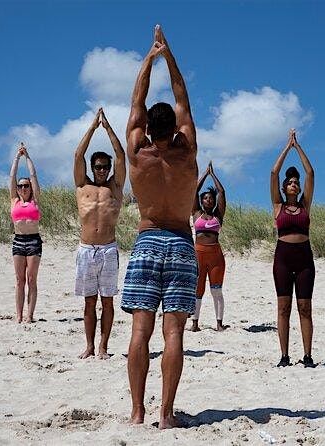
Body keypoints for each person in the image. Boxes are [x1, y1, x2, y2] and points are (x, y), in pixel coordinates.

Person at [121, 25, 198, 429]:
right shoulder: (187, 150)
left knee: (140, 330)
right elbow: (182, 96)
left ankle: (137, 412)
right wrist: (170, 57)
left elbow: (137, 100)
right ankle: (166, 415)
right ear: (176, 129)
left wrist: (148, 59)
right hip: (183, 244)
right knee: (173, 335)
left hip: (147, 240)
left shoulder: (137, 150)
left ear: (149, 130)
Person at [74, 107, 126, 359]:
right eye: (98, 167)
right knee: (88, 301)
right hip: (86, 249)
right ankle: (89, 346)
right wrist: (93, 127)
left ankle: (104, 347)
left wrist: (108, 129)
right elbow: (78, 154)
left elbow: (121, 155)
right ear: (93, 167)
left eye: (105, 167)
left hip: (107, 248)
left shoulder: (115, 187)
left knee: (107, 301)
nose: (103, 170)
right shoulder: (82, 185)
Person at [270, 129, 316, 368]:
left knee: (304, 307)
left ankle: (308, 356)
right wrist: (287, 147)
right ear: (284, 187)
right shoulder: (277, 206)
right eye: (290, 182)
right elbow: (274, 172)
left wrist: (298, 147)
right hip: (283, 259)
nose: (293, 184)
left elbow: (310, 172)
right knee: (284, 307)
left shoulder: (305, 205)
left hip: (304, 258)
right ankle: (284, 356)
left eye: (295, 183)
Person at [190, 161, 227, 332]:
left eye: (210, 198)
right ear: (201, 201)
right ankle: (195, 323)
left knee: (216, 291)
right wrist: (205, 173)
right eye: (205, 198)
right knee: (198, 290)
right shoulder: (196, 213)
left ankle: (219, 323)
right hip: (198, 254)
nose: (208, 200)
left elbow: (222, 192)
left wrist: (214, 175)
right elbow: (195, 190)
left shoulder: (218, 215)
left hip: (215, 256)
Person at [9, 142, 42, 324]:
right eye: (21, 186)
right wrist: (16, 157)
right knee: (19, 280)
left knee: (31, 279)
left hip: (34, 241)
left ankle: (30, 315)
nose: (23, 188)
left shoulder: (35, 200)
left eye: (26, 186)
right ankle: (19, 315)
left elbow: (33, 175)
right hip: (18, 241)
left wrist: (27, 156)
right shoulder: (14, 200)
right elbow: (12, 176)